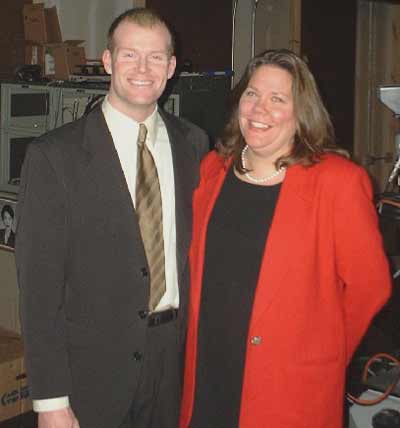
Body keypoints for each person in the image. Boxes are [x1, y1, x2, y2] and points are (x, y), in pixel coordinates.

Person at [15, 7, 208, 428]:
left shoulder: (193, 143)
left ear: (171, 66)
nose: (143, 68)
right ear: (107, 61)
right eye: (129, 55)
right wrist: (50, 400)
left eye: (156, 57)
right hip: (91, 373)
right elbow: (38, 288)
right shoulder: (54, 156)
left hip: (173, 360)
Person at [179, 49, 392, 428]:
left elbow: (370, 286)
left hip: (289, 385)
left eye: (278, 99)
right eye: (252, 94)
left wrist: (324, 352)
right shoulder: (212, 169)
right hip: (208, 374)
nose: (260, 109)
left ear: (301, 113)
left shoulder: (338, 182)